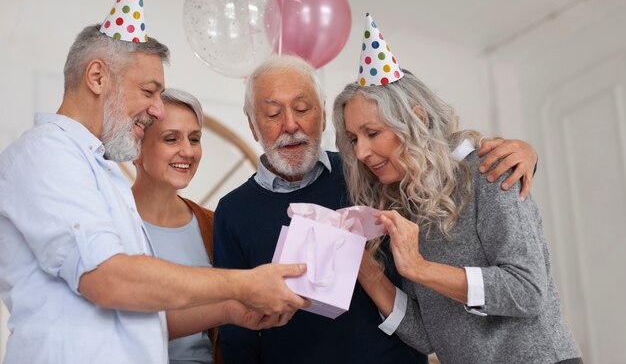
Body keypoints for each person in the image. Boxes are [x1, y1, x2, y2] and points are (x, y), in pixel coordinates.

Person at [0, 20, 308, 363]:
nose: (158, 109)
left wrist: (234, 310)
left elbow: (138, 316)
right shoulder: (47, 153)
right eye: (149, 92)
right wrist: (243, 284)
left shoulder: (100, 171)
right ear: (97, 77)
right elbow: (108, 279)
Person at [213, 54, 539, 364]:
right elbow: (235, 329)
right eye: (272, 114)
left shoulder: (371, 174)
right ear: (253, 125)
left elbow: (439, 169)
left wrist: (521, 153)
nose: (290, 125)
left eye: (302, 108)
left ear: (324, 115)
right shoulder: (233, 212)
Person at [331, 16, 581, 363]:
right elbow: (427, 336)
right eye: (355, 139)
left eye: (372, 133)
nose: (360, 152)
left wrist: (419, 268)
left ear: (417, 119)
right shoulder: (407, 208)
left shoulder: (490, 171)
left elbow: (527, 291)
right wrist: (368, 273)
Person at [132, 88, 230, 364]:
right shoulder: (107, 221)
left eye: (195, 138)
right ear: (136, 147)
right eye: (171, 138)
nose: (187, 151)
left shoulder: (212, 224)